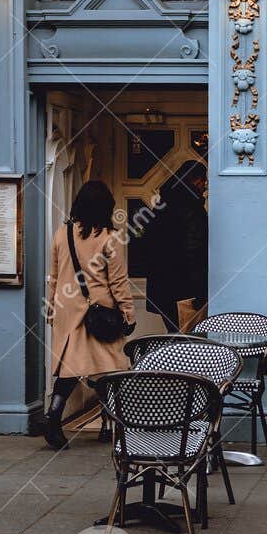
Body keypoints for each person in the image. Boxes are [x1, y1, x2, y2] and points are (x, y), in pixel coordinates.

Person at [44, 179, 135, 450]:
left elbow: (54, 275)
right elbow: (118, 282)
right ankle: (113, 424)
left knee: (72, 368)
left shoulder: (63, 233)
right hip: (100, 313)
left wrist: (51, 308)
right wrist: (129, 314)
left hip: (67, 309)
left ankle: (56, 415)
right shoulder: (108, 238)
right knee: (111, 368)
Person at [143, 161, 209, 334]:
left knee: (175, 338)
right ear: (196, 181)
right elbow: (195, 252)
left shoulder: (161, 206)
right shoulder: (192, 209)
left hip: (163, 289)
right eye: (204, 181)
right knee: (190, 344)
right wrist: (201, 292)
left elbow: (148, 244)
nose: (205, 187)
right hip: (186, 291)